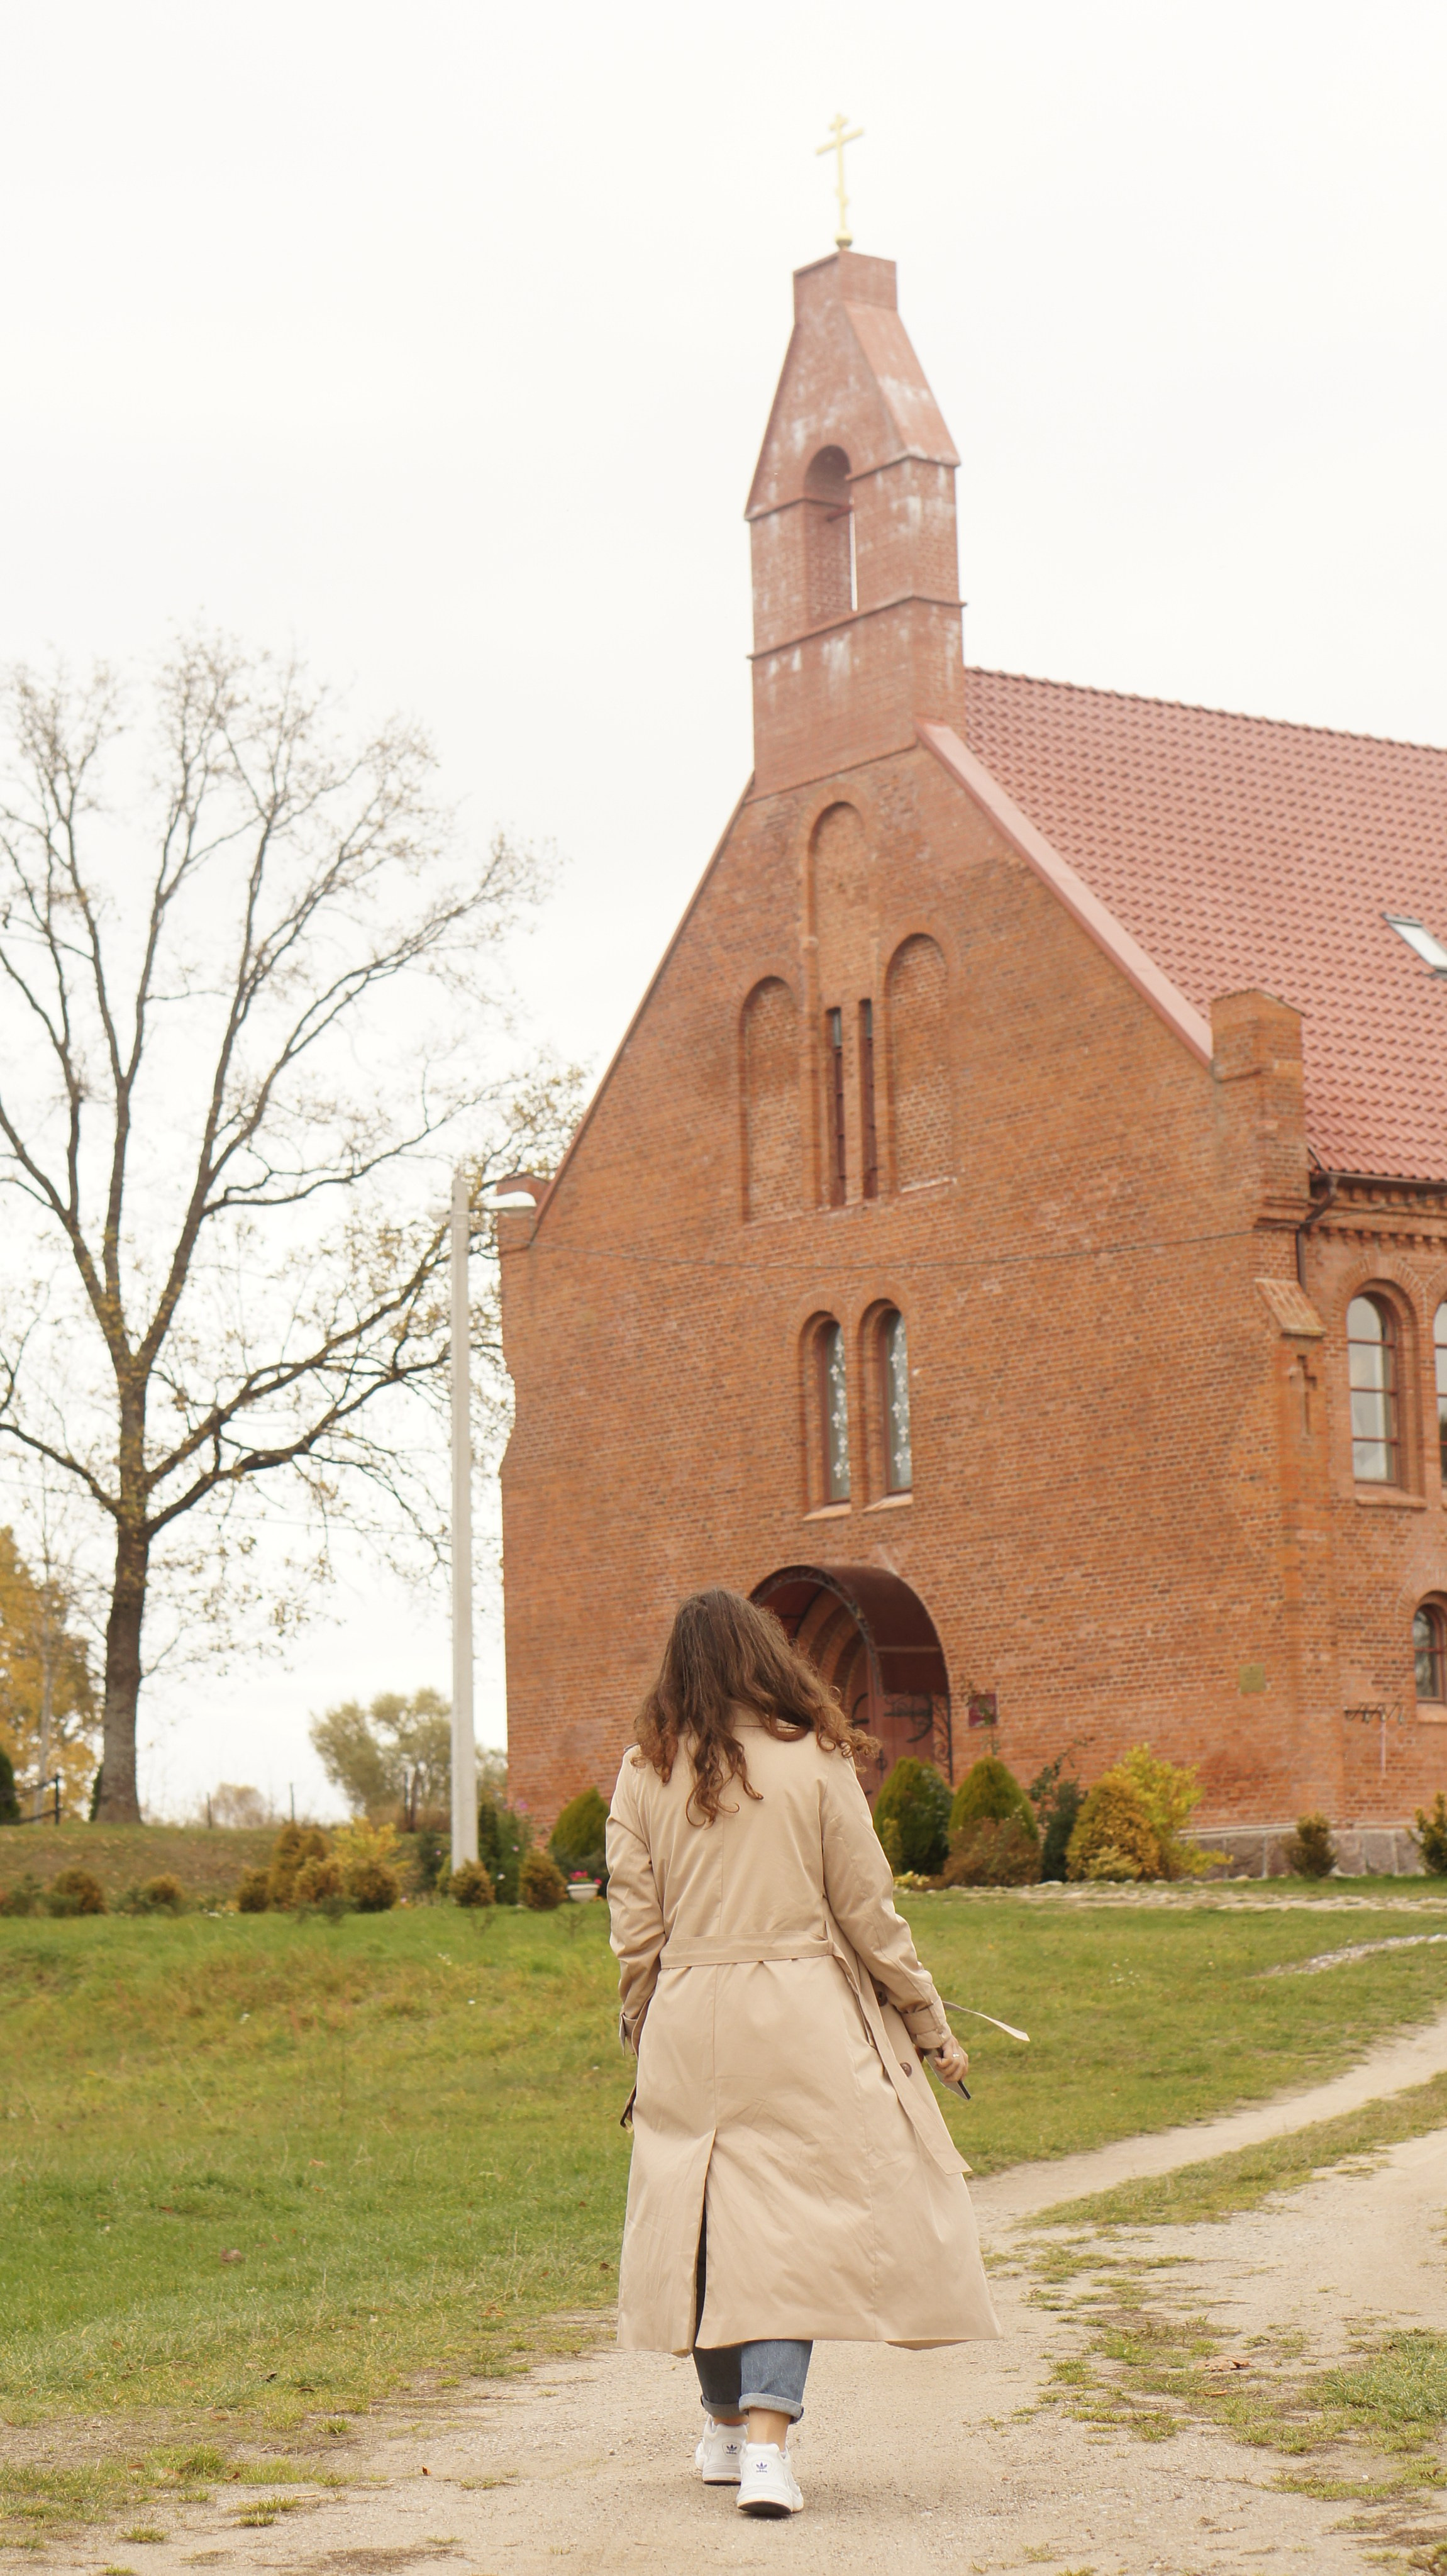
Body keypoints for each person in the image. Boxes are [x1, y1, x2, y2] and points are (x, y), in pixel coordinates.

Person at [606, 1585, 1001, 2520]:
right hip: (800, 2019)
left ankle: (720, 2427)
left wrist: (641, 2029)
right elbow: (869, 1909)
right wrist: (926, 2023)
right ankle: (765, 2450)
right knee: (786, 2234)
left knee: (705, 2225)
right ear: (764, 1659)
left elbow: (634, 1933)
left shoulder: (640, 1771)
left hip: (688, 2017)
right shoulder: (813, 1758)